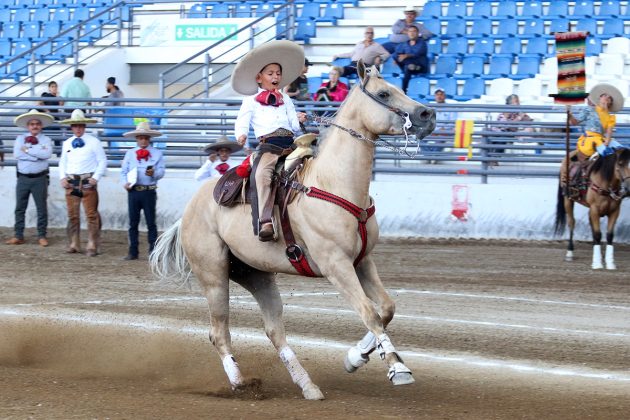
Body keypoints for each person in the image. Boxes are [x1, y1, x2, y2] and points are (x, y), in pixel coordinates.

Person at [232, 40, 307, 242]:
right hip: (269, 146)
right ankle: (265, 220)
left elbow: (293, 125)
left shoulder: (287, 99)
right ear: (259, 77)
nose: (275, 77)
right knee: (262, 175)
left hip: (291, 144)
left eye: (278, 73)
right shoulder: (250, 100)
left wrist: (299, 124)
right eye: (270, 73)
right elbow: (242, 120)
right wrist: (241, 134)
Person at [58, 109, 107, 256]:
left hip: (87, 182)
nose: (78, 128)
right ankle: (74, 242)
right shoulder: (67, 143)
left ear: (84, 126)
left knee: (91, 214)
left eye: (80, 125)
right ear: (71, 127)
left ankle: (92, 243)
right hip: (72, 181)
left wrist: (96, 177)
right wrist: (62, 177)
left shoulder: (94, 142)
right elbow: (62, 162)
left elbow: (102, 160)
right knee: (73, 215)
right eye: (75, 126)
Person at [5, 110, 55, 247]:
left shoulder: (46, 140)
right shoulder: (20, 138)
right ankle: (18, 235)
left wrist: (27, 150)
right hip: (23, 178)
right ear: (28, 126)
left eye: (37, 124)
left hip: (40, 178)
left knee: (41, 208)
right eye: (32, 124)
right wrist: (37, 154)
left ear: (41, 126)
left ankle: (42, 235)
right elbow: (17, 154)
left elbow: (47, 155)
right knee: (20, 207)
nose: (35, 126)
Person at [560, 83, 625, 187]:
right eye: (605, 96)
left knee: (623, 152)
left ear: (611, 103)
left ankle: (622, 180)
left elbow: (609, 131)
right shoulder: (589, 110)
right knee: (607, 153)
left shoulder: (611, 116)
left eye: (609, 98)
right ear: (599, 98)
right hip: (590, 139)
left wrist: (607, 142)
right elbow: (575, 122)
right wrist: (570, 114)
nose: (607, 98)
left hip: (602, 139)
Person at [120, 122, 165, 260]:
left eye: (145, 138)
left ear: (149, 138)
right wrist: (125, 183)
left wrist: (154, 174)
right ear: (137, 139)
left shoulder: (157, 154)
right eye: (140, 138)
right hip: (134, 190)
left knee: (151, 222)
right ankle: (133, 251)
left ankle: (153, 251)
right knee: (133, 222)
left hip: (148, 190)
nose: (143, 140)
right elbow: (123, 172)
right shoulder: (130, 154)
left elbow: (162, 172)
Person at [490, 94, 534, 163]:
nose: (516, 104)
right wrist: (518, 118)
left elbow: (528, 122)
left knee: (503, 136)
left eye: (517, 102)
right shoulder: (505, 111)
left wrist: (524, 122)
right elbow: (504, 126)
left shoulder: (520, 112)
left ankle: (494, 158)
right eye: (513, 102)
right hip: (498, 131)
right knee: (495, 136)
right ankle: (491, 158)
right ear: (509, 103)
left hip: (508, 133)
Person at [422, 88, 458, 163]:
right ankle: (428, 156)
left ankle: (435, 156)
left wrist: (443, 128)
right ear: (435, 96)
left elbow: (453, 122)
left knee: (441, 137)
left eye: (441, 94)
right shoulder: (430, 107)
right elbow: (426, 121)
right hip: (433, 130)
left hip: (445, 131)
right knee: (420, 137)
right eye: (437, 94)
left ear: (444, 96)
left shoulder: (451, 107)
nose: (439, 96)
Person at [392, 26, 429, 94]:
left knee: (408, 65)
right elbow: (396, 53)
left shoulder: (422, 43)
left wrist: (406, 55)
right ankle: (410, 66)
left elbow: (417, 53)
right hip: (409, 66)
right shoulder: (405, 44)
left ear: (418, 33)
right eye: (410, 31)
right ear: (408, 33)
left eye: (414, 31)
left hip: (420, 66)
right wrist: (397, 59)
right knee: (397, 58)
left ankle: (403, 91)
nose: (412, 33)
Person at [37, 81, 64, 156]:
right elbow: (39, 103)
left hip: (55, 120)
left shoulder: (58, 98)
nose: (54, 88)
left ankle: (58, 154)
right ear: (49, 88)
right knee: (45, 139)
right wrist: (47, 111)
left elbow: (61, 105)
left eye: (55, 86)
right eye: (52, 87)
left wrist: (58, 96)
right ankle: (43, 153)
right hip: (47, 120)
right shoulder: (46, 95)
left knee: (58, 137)